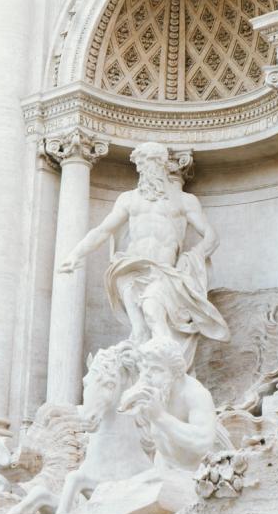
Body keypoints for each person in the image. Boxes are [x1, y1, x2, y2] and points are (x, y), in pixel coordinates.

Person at [58, 142, 229, 369]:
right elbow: (103, 230)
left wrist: (191, 259)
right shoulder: (128, 199)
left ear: (163, 166)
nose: (144, 171)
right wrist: (76, 254)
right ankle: (140, 378)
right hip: (129, 269)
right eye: (140, 165)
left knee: (153, 314)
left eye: (149, 164)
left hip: (162, 271)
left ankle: (170, 373)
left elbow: (211, 236)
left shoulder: (184, 200)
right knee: (138, 330)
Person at [118, 337, 217, 472]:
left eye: (155, 369)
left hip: (197, 474)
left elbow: (203, 442)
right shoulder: (155, 386)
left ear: (175, 372)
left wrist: (160, 416)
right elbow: (123, 407)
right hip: (164, 468)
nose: (147, 376)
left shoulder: (195, 394)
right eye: (145, 368)